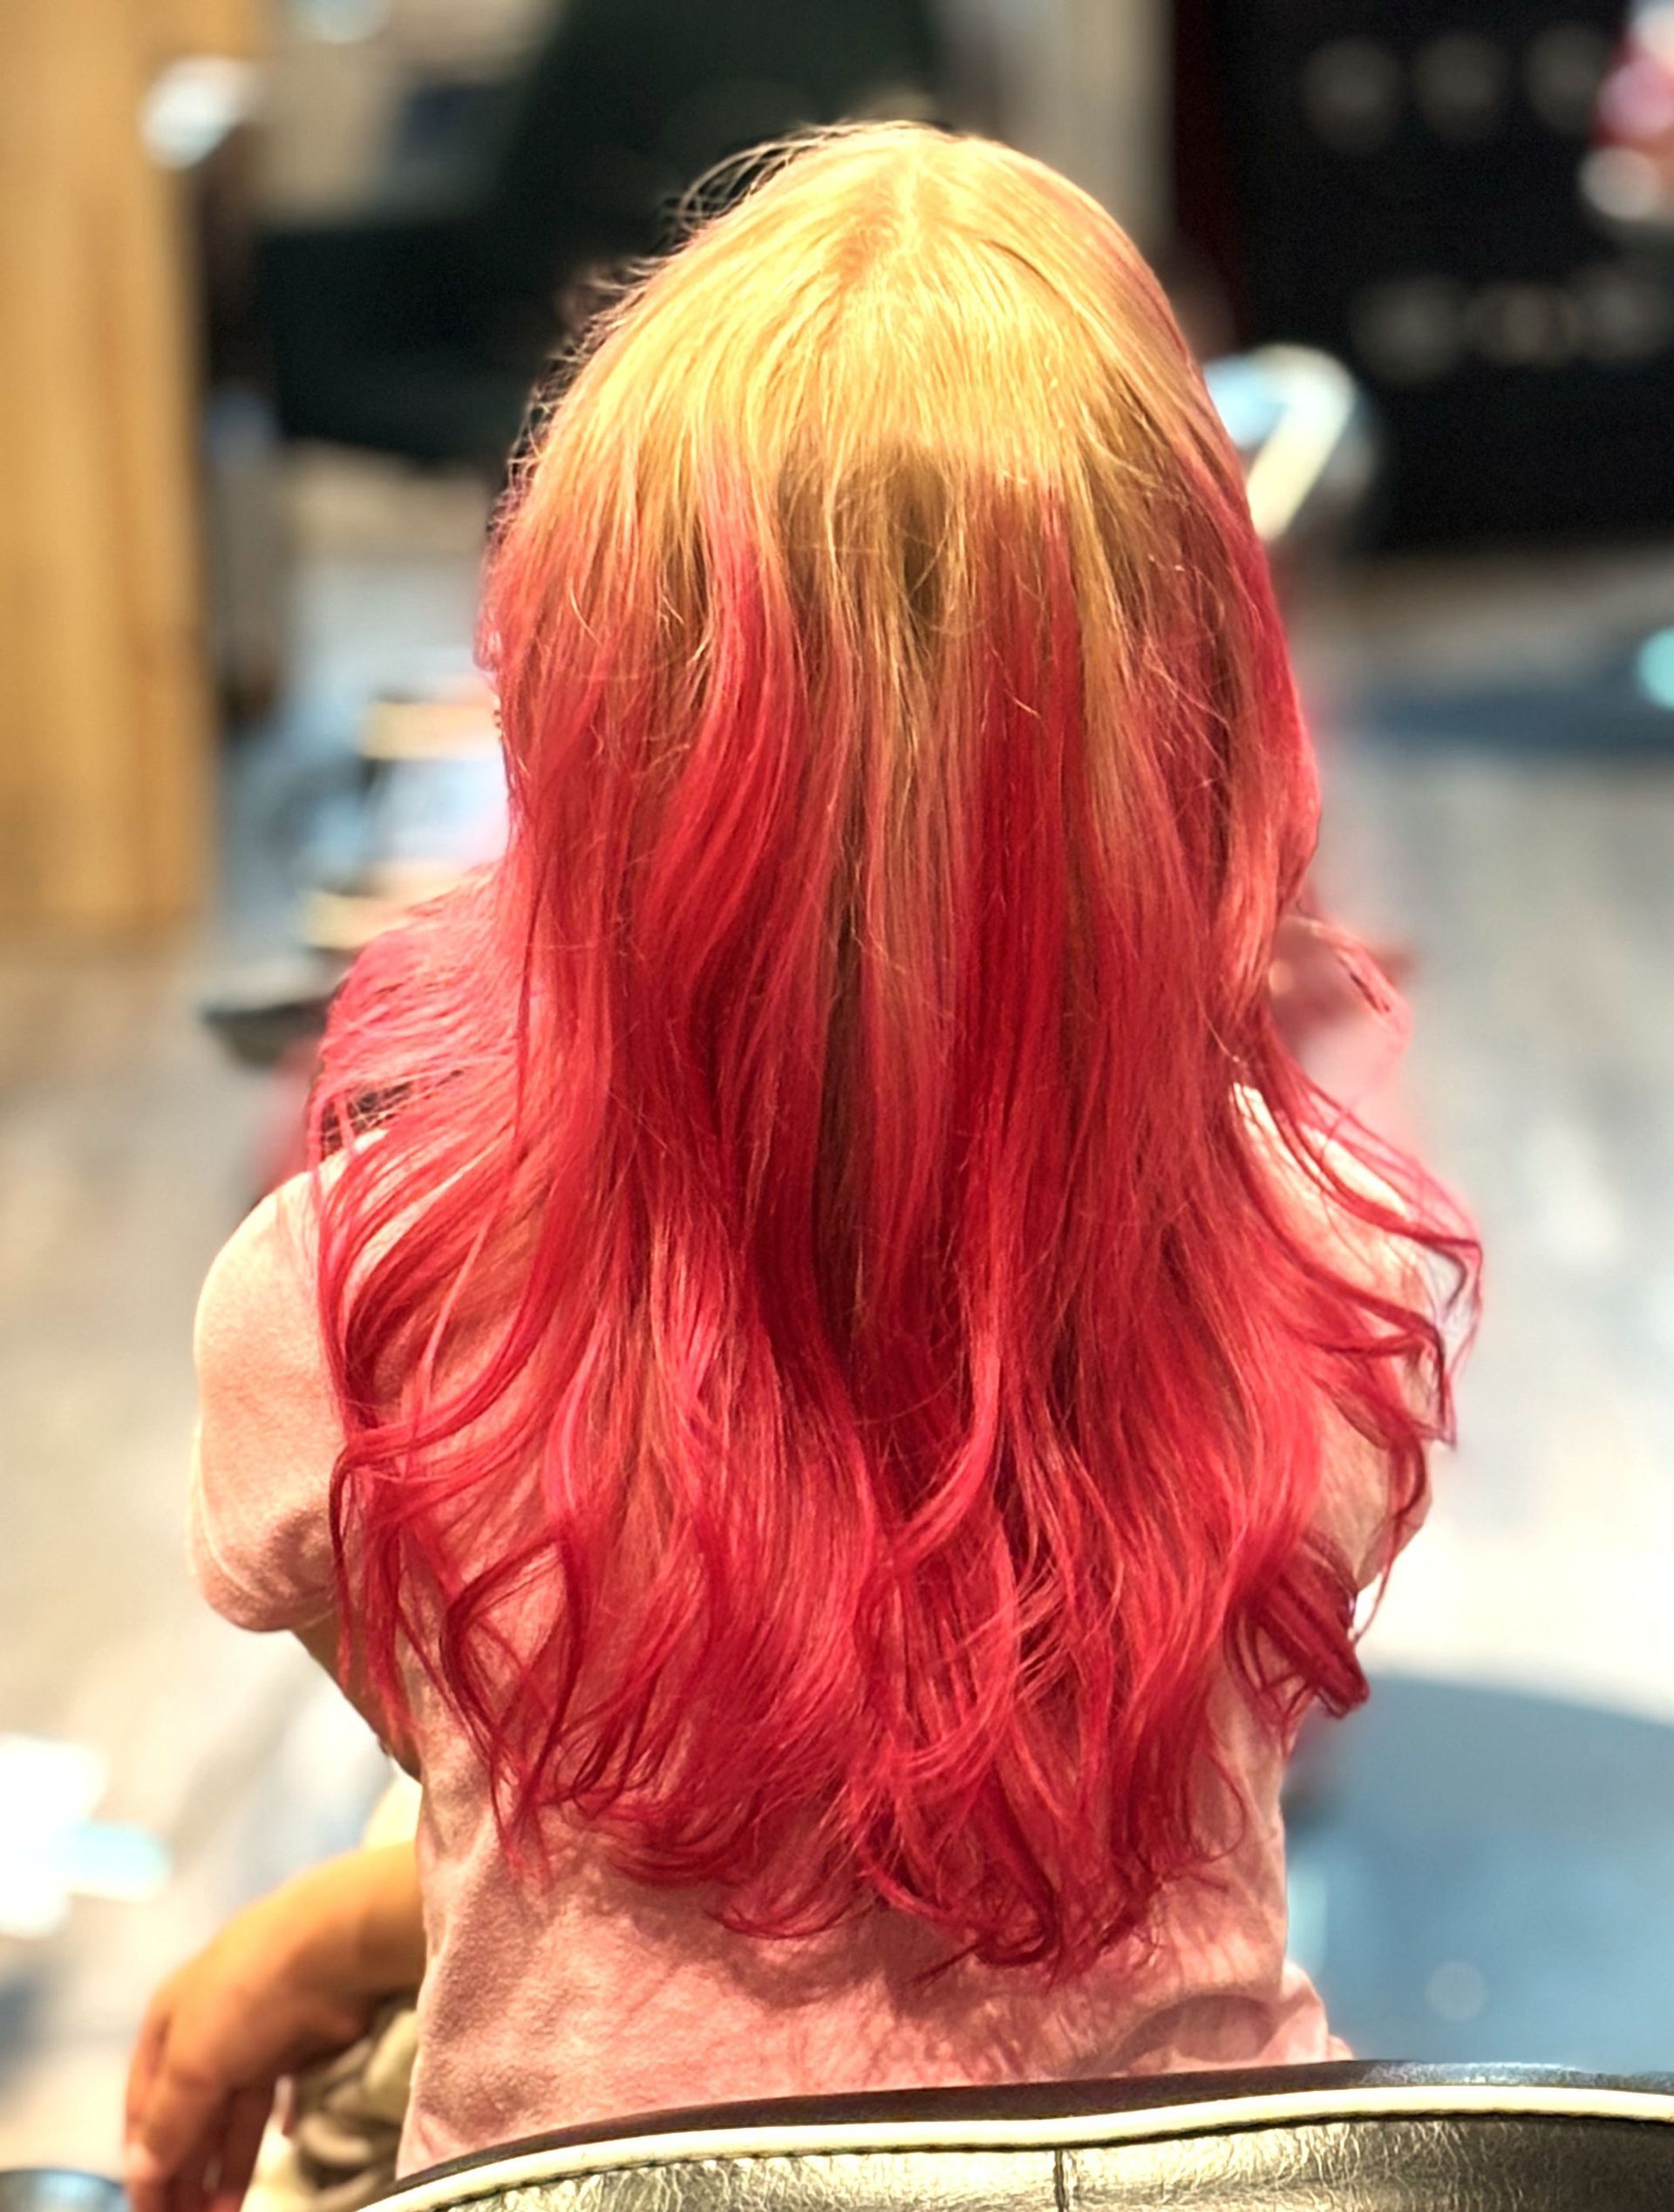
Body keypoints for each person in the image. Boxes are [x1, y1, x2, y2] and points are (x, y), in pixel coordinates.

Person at [126, 120, 1477, 2212]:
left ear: (574, 715)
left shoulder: (353, 1315)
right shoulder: (1320, 1281)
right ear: (1193, 728)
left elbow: (515, 1794)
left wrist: (327, 1927)